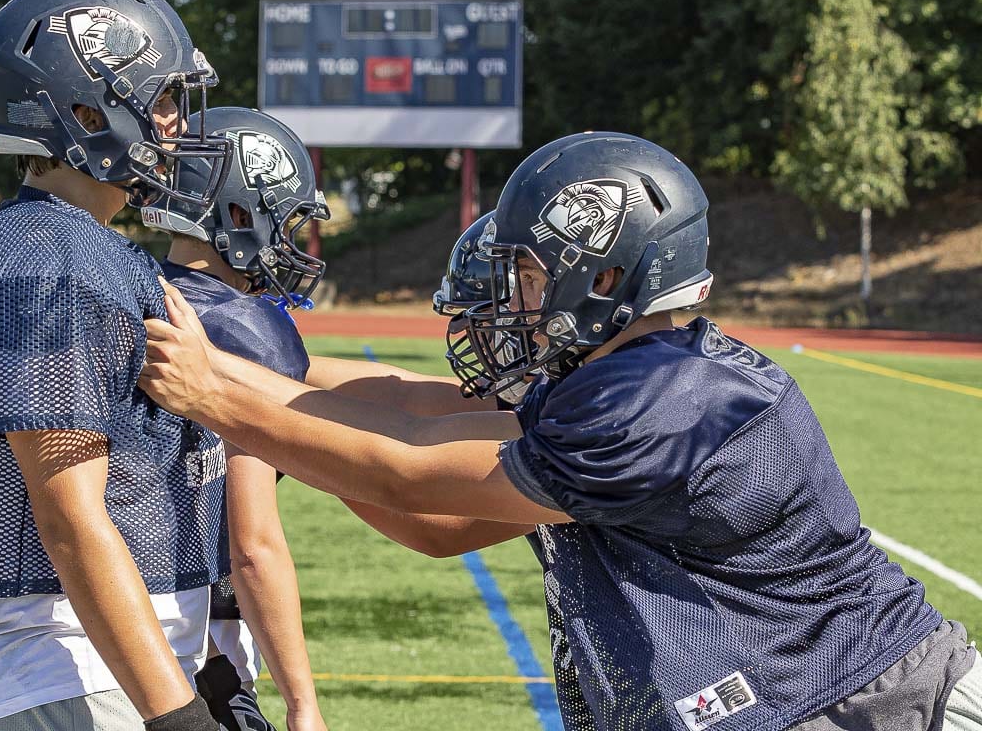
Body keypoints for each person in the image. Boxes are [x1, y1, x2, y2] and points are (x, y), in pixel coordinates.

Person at [138, 131, 982, 731]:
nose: (515, 300)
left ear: (605, 276)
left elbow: (408, 472)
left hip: (865, 701)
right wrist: (266, 365)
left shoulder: (660, 400)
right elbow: (419, 422)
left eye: (531, 274)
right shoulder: (628, 374)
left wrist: (219, 394)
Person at [0, 0, 235, 731]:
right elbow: (70, 515)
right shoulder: (48, 261)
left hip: (92, 674)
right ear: (87, 112)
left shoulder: (78, 247)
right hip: (71, 678)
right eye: (163, 98)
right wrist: (177, 716)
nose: (176, 121)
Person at [138, 106, 330, 731]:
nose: (288, 242)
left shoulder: (130, 285)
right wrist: (302, 703)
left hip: (113, 617)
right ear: (241, 214)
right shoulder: (249, 328)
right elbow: (253, 547)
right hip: (191, 636)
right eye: (284, 220)